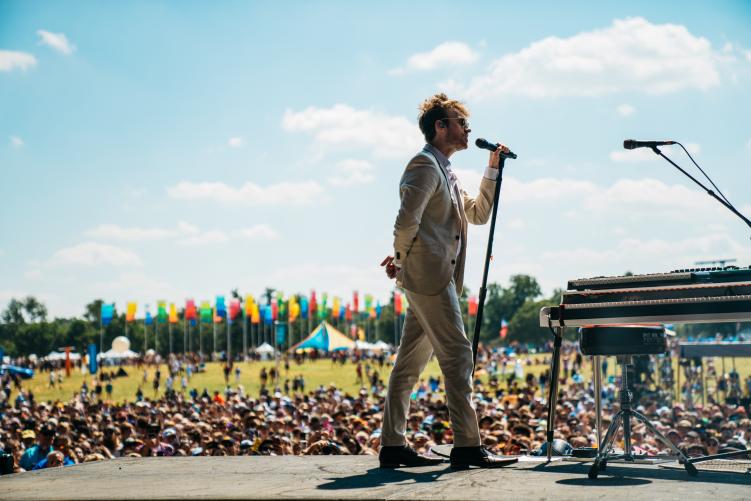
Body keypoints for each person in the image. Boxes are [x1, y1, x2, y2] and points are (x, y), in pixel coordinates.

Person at [379, 93, 515, 469]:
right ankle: (467, 445)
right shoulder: (423, 165)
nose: (468, 129)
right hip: (430, 278)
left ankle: (393, 445)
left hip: (435, 278)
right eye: (461, 123)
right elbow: (406, 222)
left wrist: (492, 169)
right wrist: (402, 261)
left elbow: (478, 214)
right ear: (440, 127)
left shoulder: (446, 171)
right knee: (457, 355)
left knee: (409, 364)